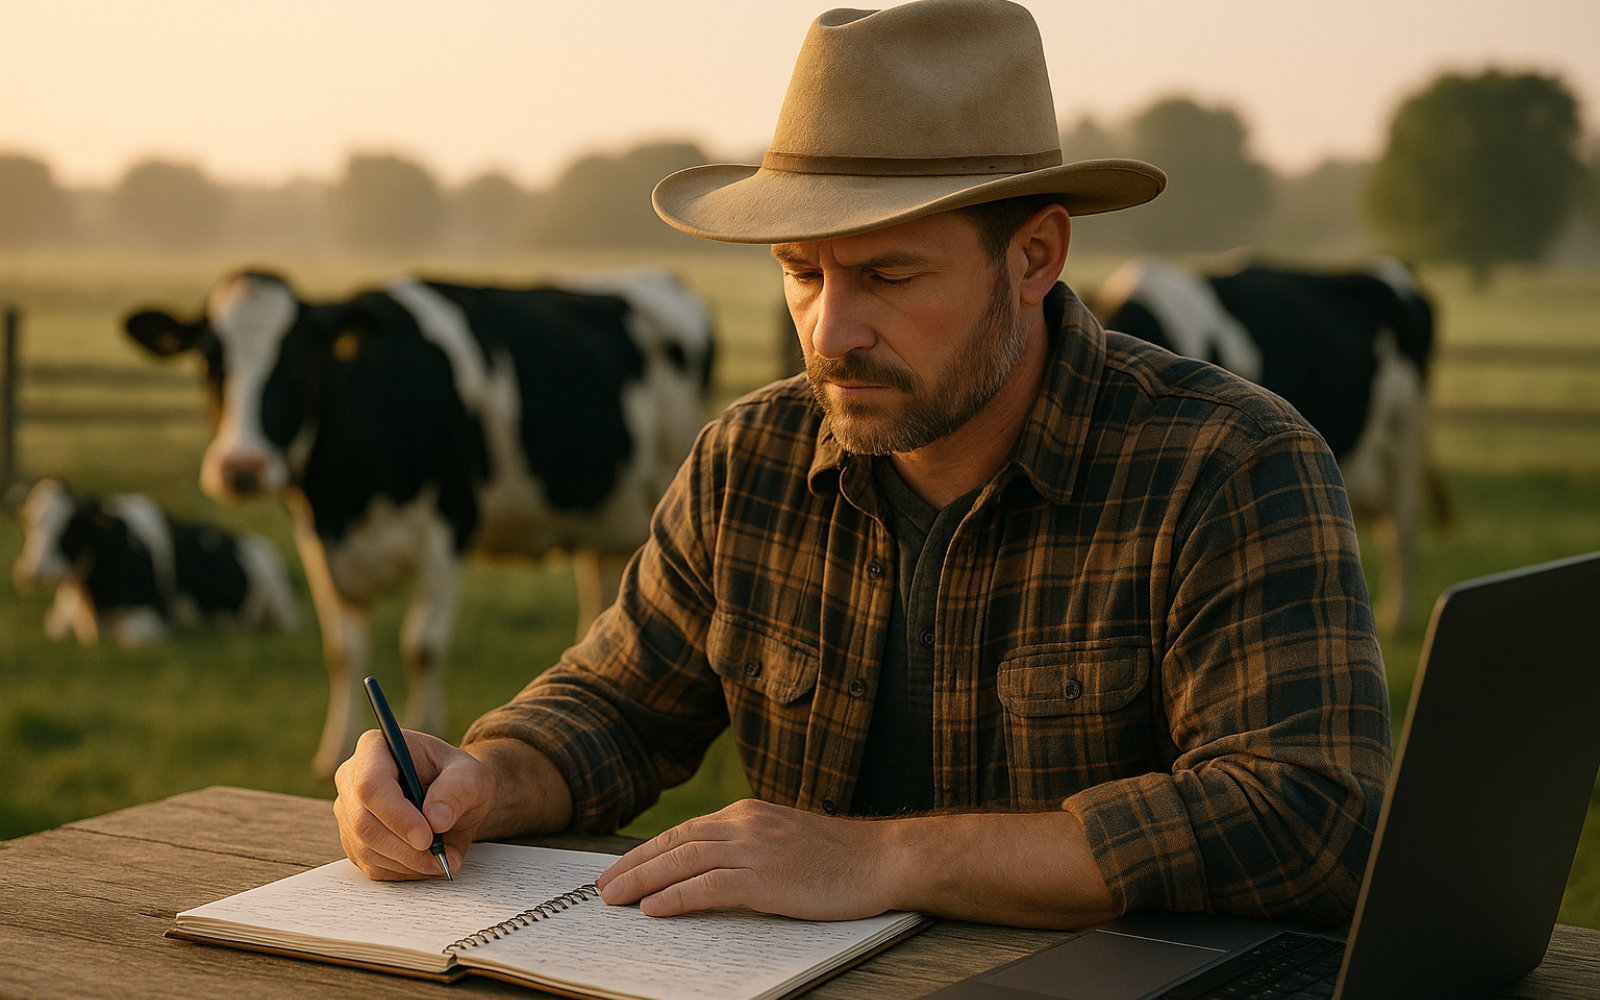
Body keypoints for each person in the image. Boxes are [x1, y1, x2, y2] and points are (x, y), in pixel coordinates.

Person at [334, 0, 1391, 930]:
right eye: (801, 271)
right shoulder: (748, 458)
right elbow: (616, 707)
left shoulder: (1231, 467)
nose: (830, 330)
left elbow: (1304, 815)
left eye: (888, 273)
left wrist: (879, 857)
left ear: (1035, 258)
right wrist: (478, 776)